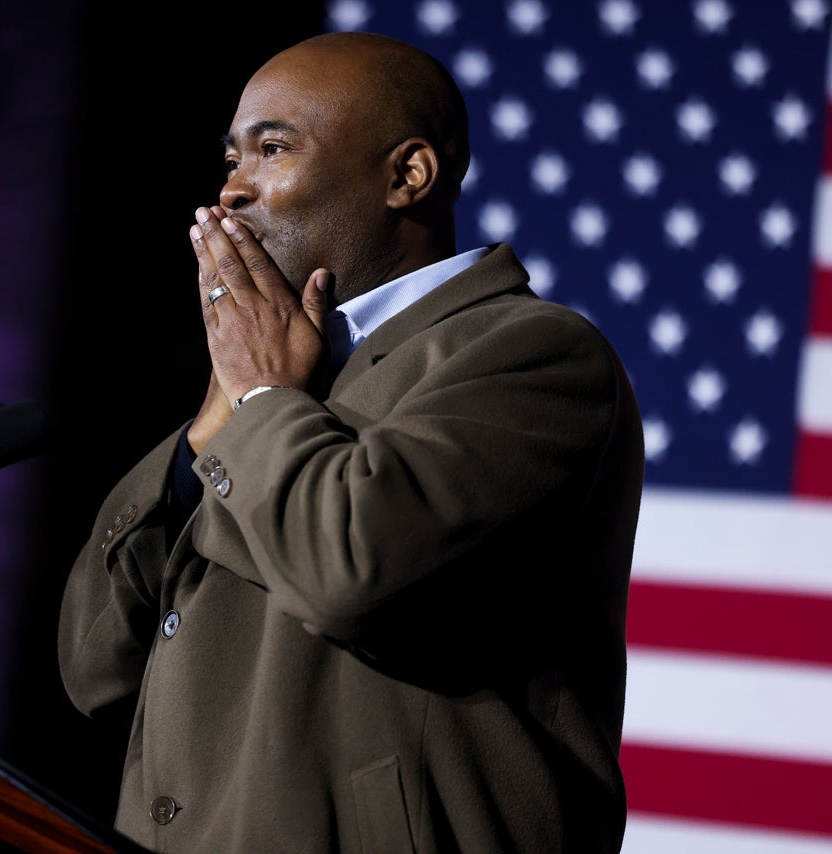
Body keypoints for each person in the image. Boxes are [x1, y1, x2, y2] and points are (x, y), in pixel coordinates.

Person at [57, 30, 644, 854]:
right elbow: (95, 668)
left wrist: (261, 395)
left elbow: (354, 573)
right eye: (231, 157)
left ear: (409, 175)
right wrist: (207, 434)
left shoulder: (531, 353)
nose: (232, 190)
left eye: (272, 148)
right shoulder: (278, 376)